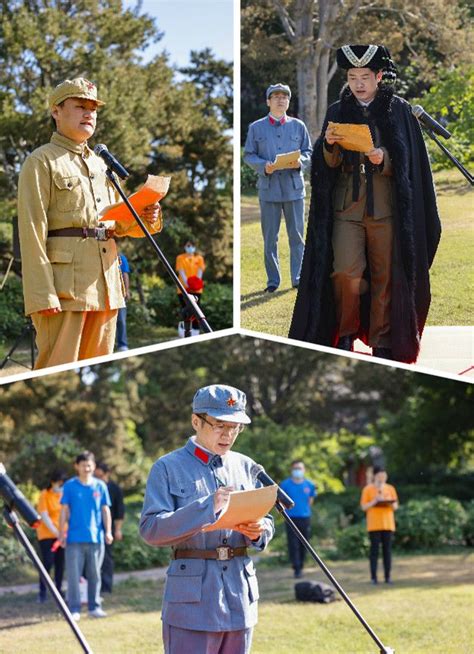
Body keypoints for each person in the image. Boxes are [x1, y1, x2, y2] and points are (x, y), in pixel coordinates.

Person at [289, 45, 441, 363]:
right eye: (353, 77)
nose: (358, 83)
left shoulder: (399, 109)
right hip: (347, 209)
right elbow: (325, 164)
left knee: (385, 275)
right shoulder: (336, 110)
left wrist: (384, 157)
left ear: (379, 77)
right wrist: (329, 147)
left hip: (386, 209)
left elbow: (409, 160)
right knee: (345, 272)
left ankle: (382, 341)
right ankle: (344, 334)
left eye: (365, 77)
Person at [17, 77, 162, 369]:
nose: (89, 114)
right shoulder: (41, 161)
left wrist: (146, 216)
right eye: (80, 106)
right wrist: (40, 293)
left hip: (107, 283)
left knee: (100, 375)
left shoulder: (101, 165)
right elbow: (31, 230)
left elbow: (116, 224)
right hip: (64, 289)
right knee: (57, 373)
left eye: (93, 109)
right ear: (56, 111)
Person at [140, 384, 275, 654]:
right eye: (219, 425)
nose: (228, 435)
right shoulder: (167, 467)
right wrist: (207, 506)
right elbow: (151, 529)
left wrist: (260, 530)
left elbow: (266, 517)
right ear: (195, 421)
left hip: (240, 596)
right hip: (193, 605)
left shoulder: (246, 465)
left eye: (235, 427)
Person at [244, 84, 312, 292]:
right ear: (268, 101)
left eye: (284, 97)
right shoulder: (256, 127)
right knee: (270, 239)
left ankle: (298, 278)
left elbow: (308, 152)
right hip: (269, 189)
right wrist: (263, 165)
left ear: (288, 102)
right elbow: (248, 155)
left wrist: (300, 161)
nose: (280, 100)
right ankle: (273, 281)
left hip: (294, 189)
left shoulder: (299, 126)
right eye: (276, 97)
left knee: (297, 237)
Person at [59, 451, 112, 622]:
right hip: (74, 538)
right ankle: (74, 609)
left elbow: (105, 510)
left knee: (95, 574)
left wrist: (109, 531)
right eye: (83, 465)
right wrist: (61, 533)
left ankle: (94, 607)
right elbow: (64, 511)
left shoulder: (100, 486)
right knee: (73, 576)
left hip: (96, 538)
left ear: (94, 466)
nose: (86, 468)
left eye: (89, 465)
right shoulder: (69, 486)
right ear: (77, 466)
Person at [360, 466, 399, 584]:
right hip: (374, 525)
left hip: (388, 525)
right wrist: (375, 501)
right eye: (380, 476)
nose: (382, 478)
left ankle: (388, 577)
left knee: (387, 551)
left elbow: (396, 506)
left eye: (384, 476)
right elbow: (363, 507)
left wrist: (387, 502)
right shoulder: (367, 489)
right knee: (374, 552)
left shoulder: (390, 488)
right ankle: (374, 577)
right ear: (375, 476)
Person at [280, 460, 317, 578]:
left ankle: (301, 565)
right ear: (292, 470)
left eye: (300, 468)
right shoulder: (285, 485)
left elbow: (310, 501)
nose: (298, 471)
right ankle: (296, 567)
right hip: (290, 518)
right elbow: (280, 501)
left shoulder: (309, 485)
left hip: (305, 517)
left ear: (304, 470)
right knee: (293, 544)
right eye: (295, 468)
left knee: (304, 543)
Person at [36, 470, 67, 603]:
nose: (60, 486)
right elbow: (44, 516)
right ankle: (42, 592)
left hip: (62, 535)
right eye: (58, 483)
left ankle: (58, 591)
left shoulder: (64, 495)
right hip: (47, 535)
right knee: (47, 563)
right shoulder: (44, 495)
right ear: (53, 482)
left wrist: (63, 534)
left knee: (60, 564)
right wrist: (56, 532)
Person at [94, 462, 125, 593]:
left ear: (107, 474)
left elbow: (119, 511)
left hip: (108, 527)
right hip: (93, 526)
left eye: (100, 475)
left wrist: (117, 529)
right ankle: (93, 586)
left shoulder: (114, 488)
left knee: (107, 557)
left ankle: (106, 586)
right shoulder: (94, 486)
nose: (98, 477)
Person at [175, 239, 205, 336]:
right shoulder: (180, 258)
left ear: (194, 247)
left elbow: (200, 271)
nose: (189, 248)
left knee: (197, 310)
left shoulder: (199, 258)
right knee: (185, 310)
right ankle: (185, 330)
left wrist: (195, 284)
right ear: (184, 246)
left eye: (191, 246)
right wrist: (187, 284)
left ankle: (196, 330)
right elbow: (181, 271)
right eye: (188, 246)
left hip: (196, 289)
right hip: (183, 289)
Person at [115, 249, 131, 351]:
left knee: (121, 320)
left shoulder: (121, 258)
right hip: (104, 292)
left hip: (119, 293)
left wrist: (127, 290)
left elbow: (125, 274)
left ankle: (122, 344)